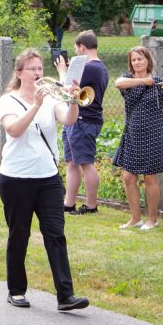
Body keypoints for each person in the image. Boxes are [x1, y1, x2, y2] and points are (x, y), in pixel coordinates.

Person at [0, 48, 88, 311]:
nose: (37, 73)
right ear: (19, 73)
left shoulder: (50, 97)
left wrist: (72, 100)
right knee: (19, 234)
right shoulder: (9, 100)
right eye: (32, 69)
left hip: (47, 177)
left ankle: (65, 295)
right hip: (16, 177)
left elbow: (68, 120)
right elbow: (13, 130)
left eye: (39, 68)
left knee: (55, 234)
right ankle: (16, 290)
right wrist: (35, 105)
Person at [113, 47, 163, 230]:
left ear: (148, 61)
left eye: (140, 59)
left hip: (152, 135)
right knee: (128, 177)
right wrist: (143, 81)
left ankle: (152, 219)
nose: (137, 62)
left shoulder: (158, 83)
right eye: (134, 60)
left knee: (149, 178)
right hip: (132, 135)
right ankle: (135, 218)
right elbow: (117, 83)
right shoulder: (128, 80)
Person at [61, 30, 109, 215]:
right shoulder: (100, 67)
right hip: (77, 119)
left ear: (82, 47)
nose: (75, 53)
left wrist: (63, 72)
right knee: (72, 163)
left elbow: (67, 90)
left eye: (75, 49)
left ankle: (91, 206)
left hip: (84, 119)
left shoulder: (89, 67)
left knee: (86, 163)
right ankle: (68, 203)